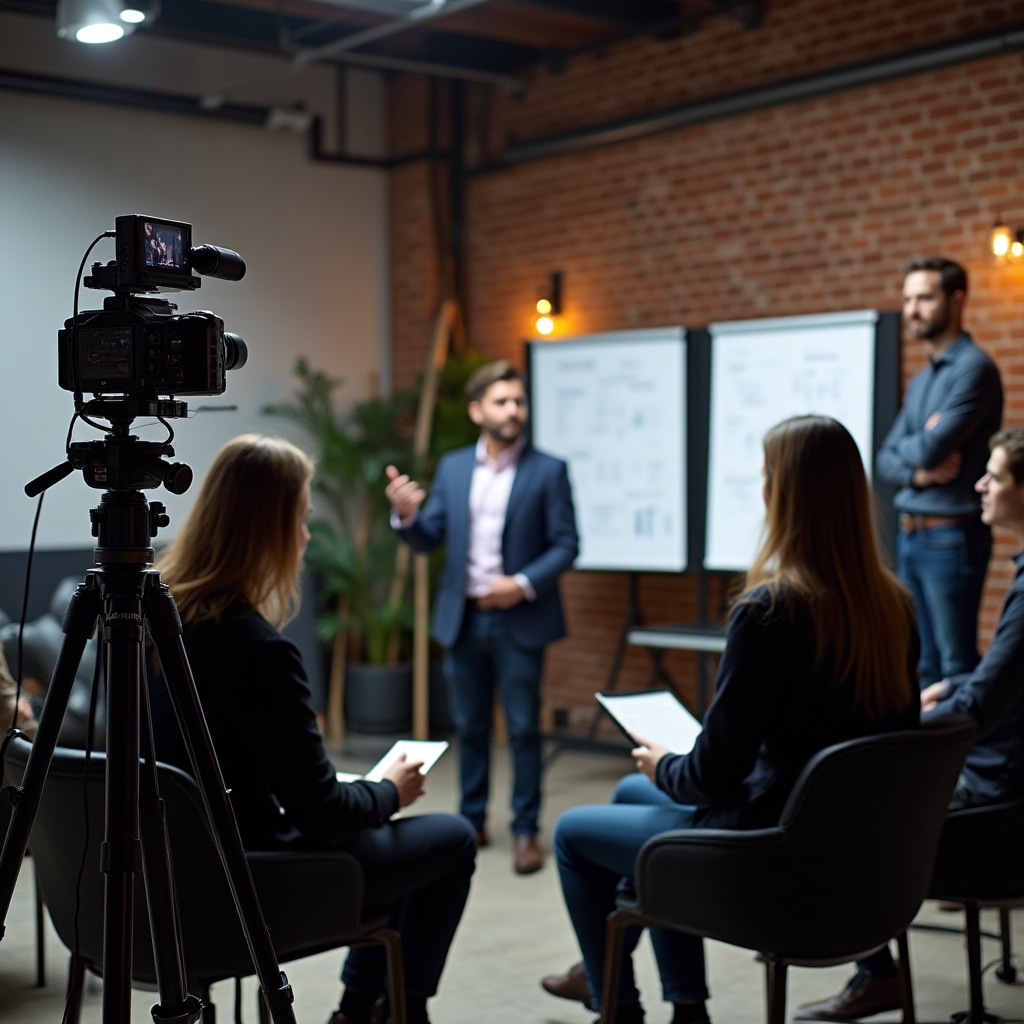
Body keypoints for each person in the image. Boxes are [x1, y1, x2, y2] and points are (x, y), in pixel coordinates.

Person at [540, 415, 921, 1024]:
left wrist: (664, 762)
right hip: (855, 850)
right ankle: (680, 1002)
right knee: (626, 792)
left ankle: (616, 1001)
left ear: (784, 495)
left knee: (573, 833)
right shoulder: (893, 606)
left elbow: (714, 776)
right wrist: (667, 773)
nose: (762, 486)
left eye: (767, 475)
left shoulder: (771, 610)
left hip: (772, 850)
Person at [151, 433, 476, 1024]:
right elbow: (321, 813)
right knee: (449, 840)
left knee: (386, 839)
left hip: (155, 886)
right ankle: (390, 1010)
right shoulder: (258, 650)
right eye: (300, 520)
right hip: (247, 887)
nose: (306, 537)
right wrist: (388, 791)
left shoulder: (149, 624)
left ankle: (362, 1008)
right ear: (267, 529)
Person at [797, 425, 1024, 1021]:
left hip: (1002, 798)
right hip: (1005, 774)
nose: (980, 484)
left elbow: (980, 711)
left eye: (995, 476)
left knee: (846, 807)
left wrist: (895, 724)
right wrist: (944, 692)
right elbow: (986, 686)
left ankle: (876, 973)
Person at [385, 359, 579, 874]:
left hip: (520, 619)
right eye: (502, 402)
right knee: (469, 727)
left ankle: (525, 830)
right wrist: (406, 515)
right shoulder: (452, 467)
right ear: (477, 411)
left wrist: (521, 584)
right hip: (464, 618)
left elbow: (566, 545)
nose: (514, 410)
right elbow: (429, 539)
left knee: (522, 730)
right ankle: (471, 821)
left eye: (518, 401)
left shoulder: (549, 469)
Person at [876, 255, 1003, 687]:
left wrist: (917, 453)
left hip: (952, 538)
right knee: (925, 665)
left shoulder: (973, 368)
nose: (912, 309)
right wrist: (919, 474)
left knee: (956, 666)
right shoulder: (922, 378)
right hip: (910, 535)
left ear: (956, 300)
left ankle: (976, 757)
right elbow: (885, 458)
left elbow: (930, 448)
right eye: (909, 299)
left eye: (925, 298)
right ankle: (940, 758)